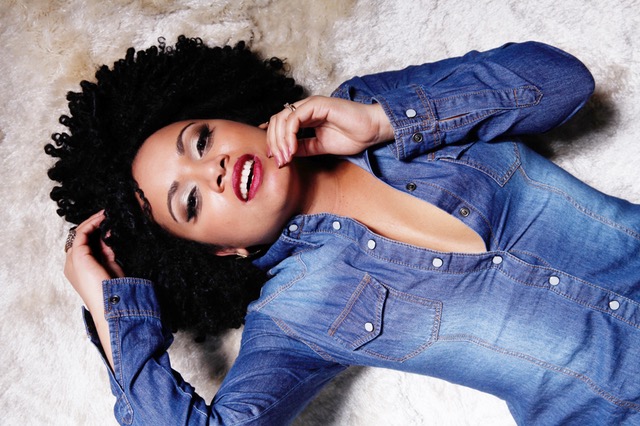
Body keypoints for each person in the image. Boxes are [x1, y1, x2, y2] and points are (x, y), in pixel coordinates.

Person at [46, 36, 640, 425]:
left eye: (201, 141)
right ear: (225, 250)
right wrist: (112, 312)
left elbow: (565, 83)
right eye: (192, 201)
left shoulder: (370, 107)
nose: (215, 170)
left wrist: (385, 121)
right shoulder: (292, 317)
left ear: (235, 116)